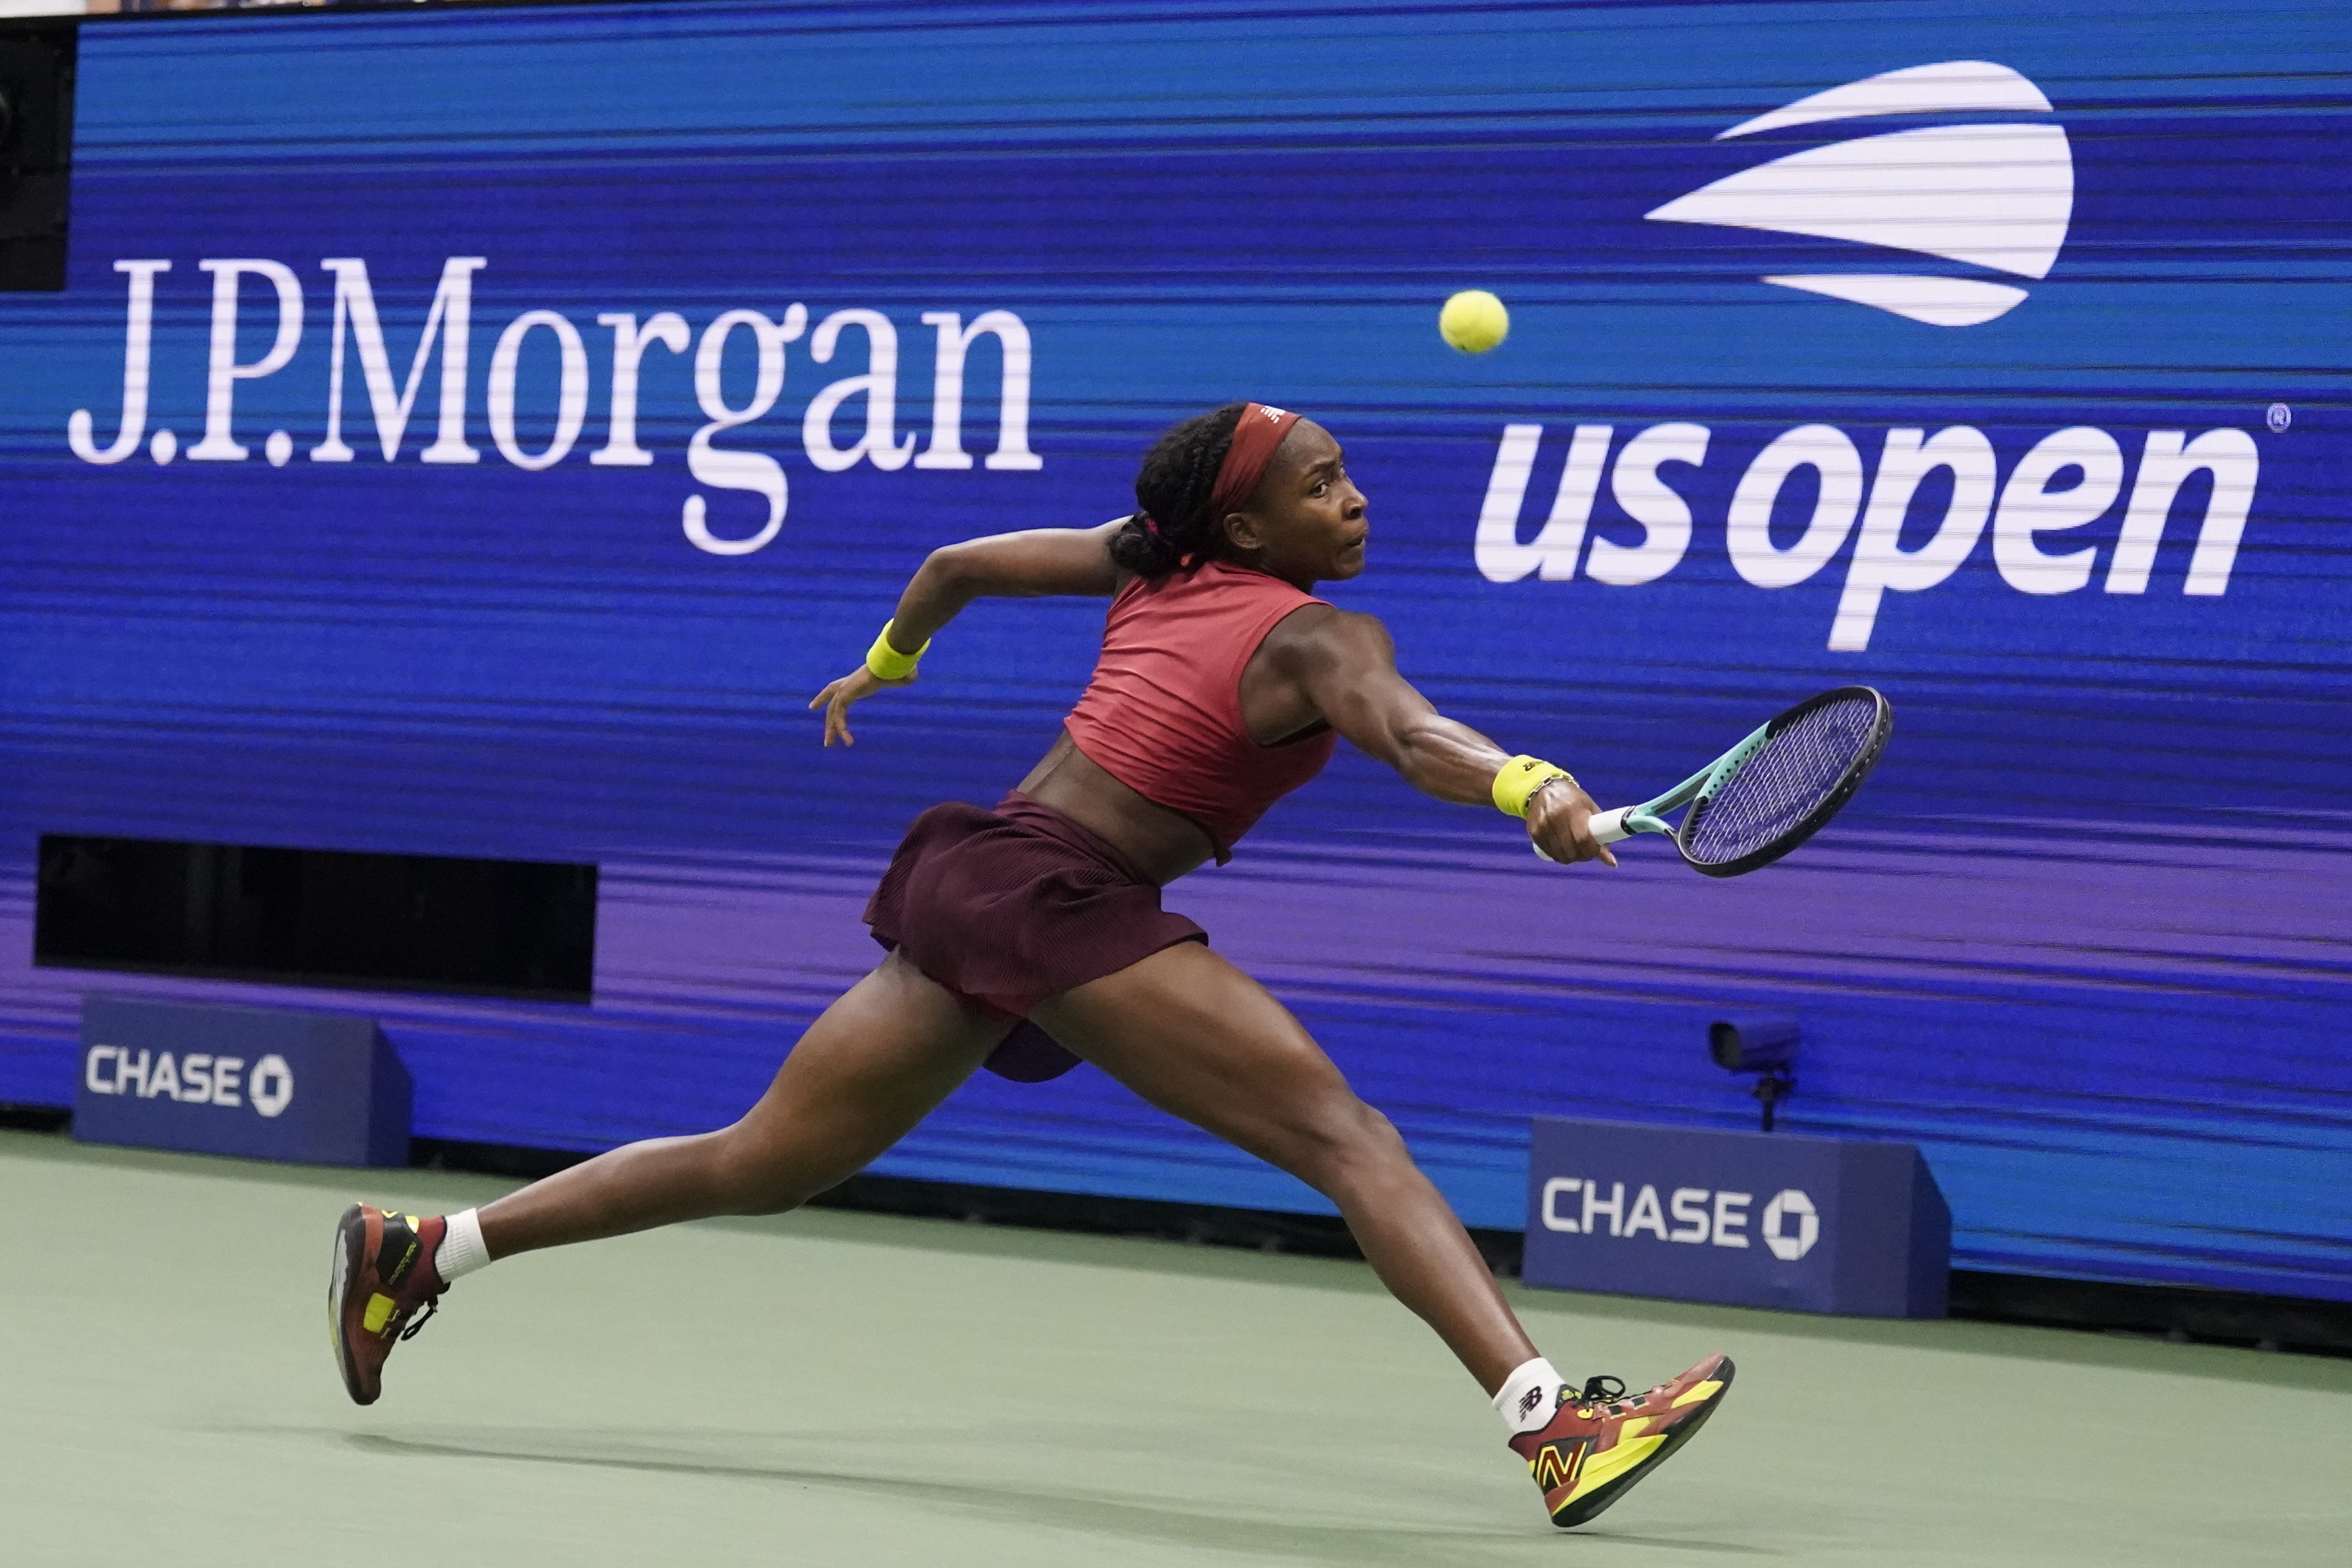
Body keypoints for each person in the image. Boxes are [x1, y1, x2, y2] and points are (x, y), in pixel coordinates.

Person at [326, 401, 1732, 1528]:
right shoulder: (1320, 635)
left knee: (763, 1158)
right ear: (1245, 521)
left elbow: (954, 570)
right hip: (1059, 895)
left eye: (1348, 475)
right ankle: (1555, 1426)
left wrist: (889, 663)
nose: (1352, 497)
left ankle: (425, 1247)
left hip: (972, 870)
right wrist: (1529, 784)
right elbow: (1416, 735)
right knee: (1350, 1140)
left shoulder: (1152, 558)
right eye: (1319, 485)